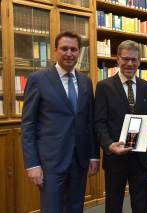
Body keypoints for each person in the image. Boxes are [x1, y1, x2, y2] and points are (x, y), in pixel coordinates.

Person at [21, 31, 100, 213]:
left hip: (79, 160)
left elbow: (89, 122)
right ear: (55, 51)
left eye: (73, 49)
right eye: (64, 48)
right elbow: (28, 125)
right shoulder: (38, 80)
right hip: (51, 162)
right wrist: (32, 164)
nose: (69, 53)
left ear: (79, 52)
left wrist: (94, 155)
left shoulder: (86, 82)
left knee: (75, 208)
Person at [94, 40, 147, 213]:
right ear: (117, 59)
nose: (130, 63)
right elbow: (99, 122)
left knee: (141, 203)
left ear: (139, 61)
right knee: (114, 204)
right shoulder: (104, 87)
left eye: (134, 60)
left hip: (140, 159)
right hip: (115, 157)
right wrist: (109, 145)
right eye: (126, 59)